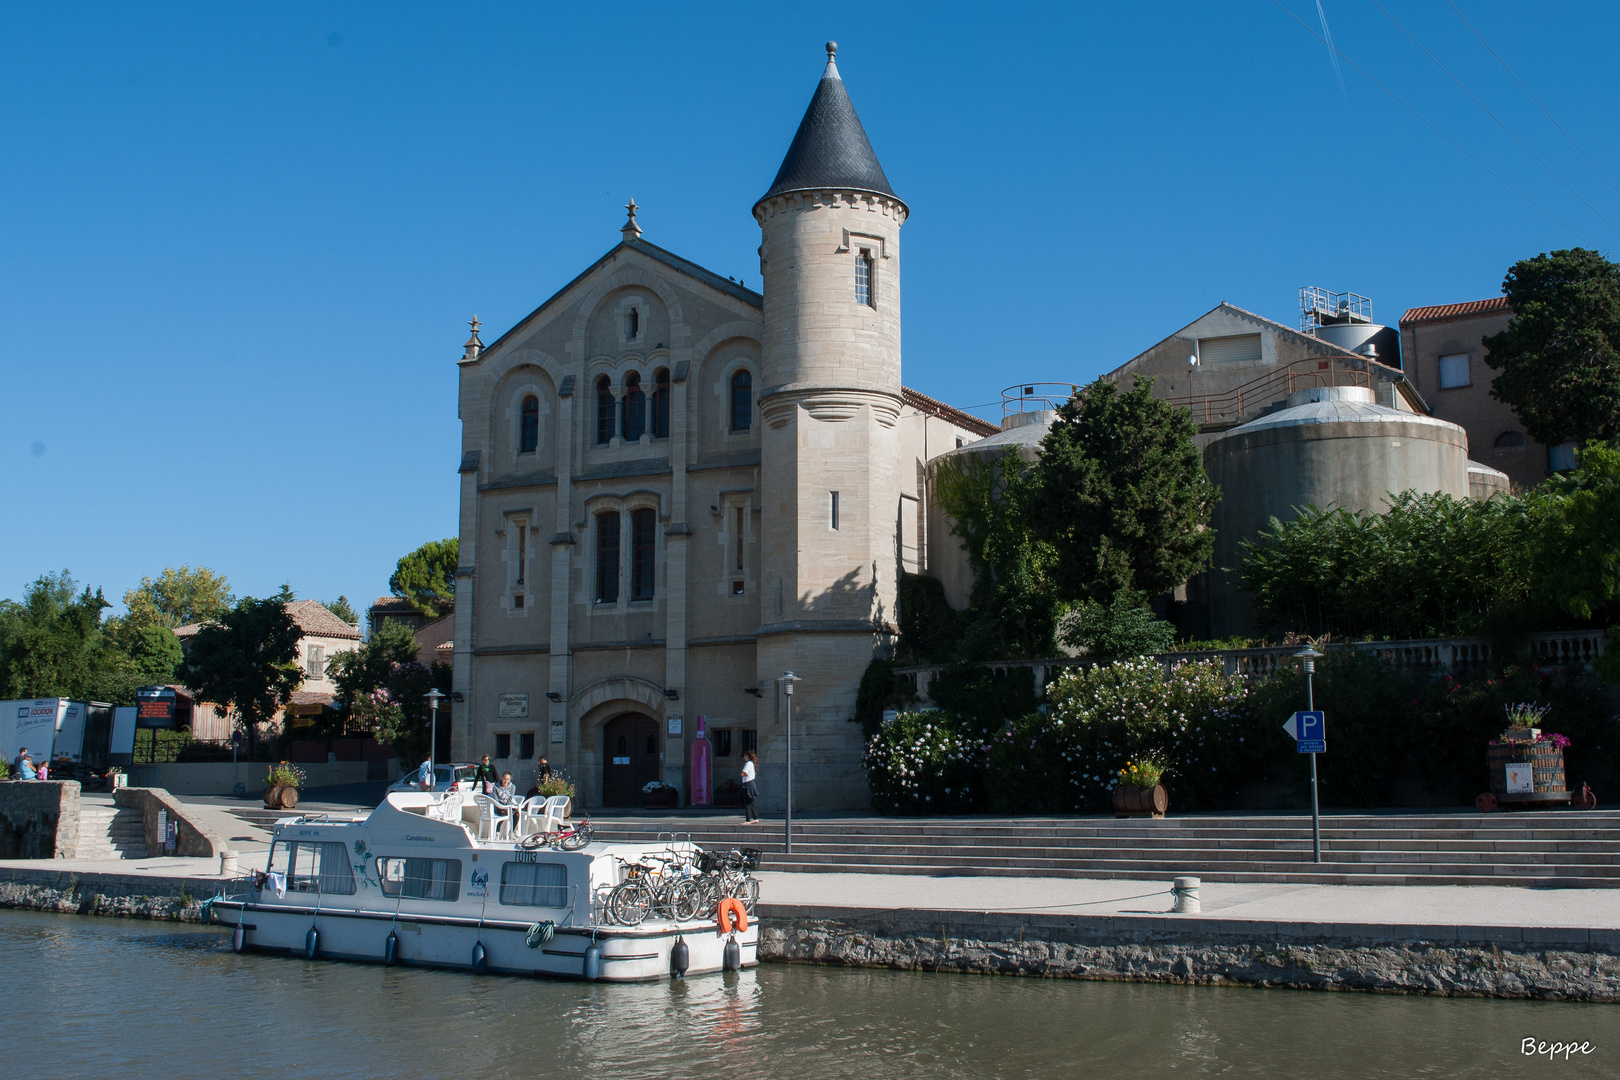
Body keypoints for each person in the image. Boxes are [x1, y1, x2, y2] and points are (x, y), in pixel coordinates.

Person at [739, 751, 759, 823]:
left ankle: (748, 819)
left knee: (747, 801)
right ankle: (755, 817)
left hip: (748, 783)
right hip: (751, 783)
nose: (744, 758)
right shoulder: (751, 764)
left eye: (744, 756)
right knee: (751, 801)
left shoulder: (748, 763)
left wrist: (743, 774)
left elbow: (743, 773)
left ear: (747, 756)